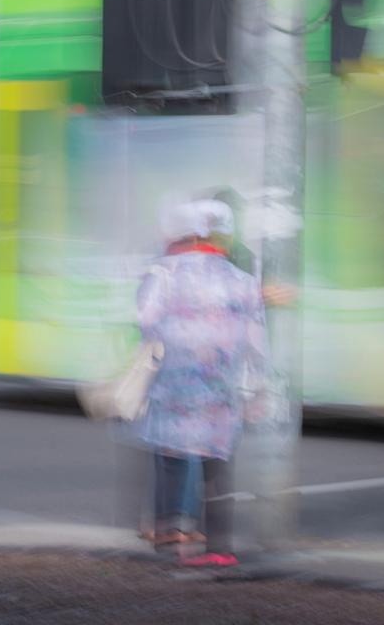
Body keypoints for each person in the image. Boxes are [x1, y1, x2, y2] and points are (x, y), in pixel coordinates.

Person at [137, 198, 268, 567]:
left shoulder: (163, 272)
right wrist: (256, 386)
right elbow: (257, 340)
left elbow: (146, 320)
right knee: (218, 465)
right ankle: (220, 548)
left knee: (169, 456)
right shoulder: (241, 280)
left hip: (174, 385)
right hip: (221, 389)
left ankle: (170, 540)